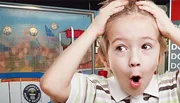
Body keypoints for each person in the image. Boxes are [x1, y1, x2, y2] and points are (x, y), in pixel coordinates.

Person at [40, 0, 180, 102]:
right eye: (121, 48)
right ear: (106, 59)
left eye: (145, 46)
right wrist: (93, 30)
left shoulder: (173, 86)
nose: (134, 60)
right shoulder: (94, 91)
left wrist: (171, 30)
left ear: (160, 56)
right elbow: (52, 85)